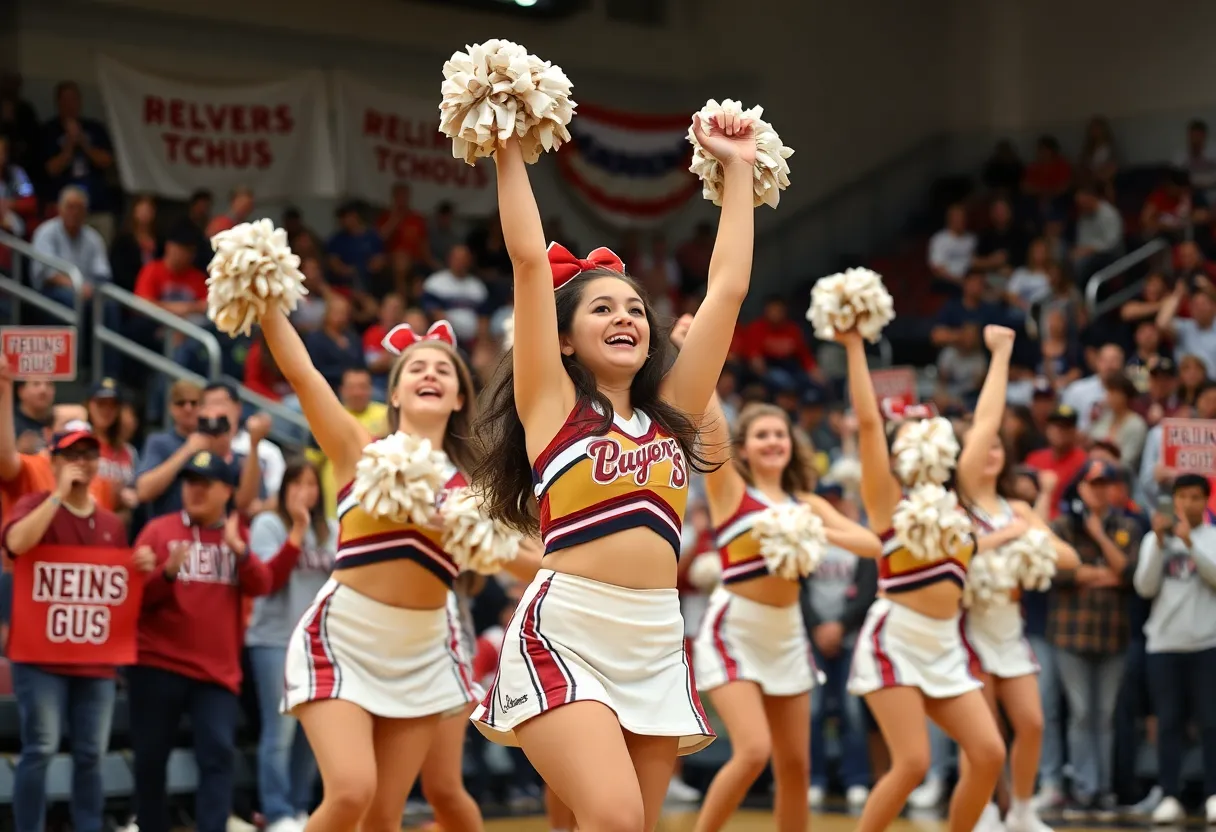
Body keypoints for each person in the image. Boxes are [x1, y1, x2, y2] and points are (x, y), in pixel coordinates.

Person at [470, 111, 758, 832]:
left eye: (635, 307)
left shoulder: (673, 413)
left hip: (656, 638)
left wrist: (741, 170)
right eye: (601, 308)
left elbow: (724, 291)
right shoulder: (551, 404)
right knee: (617, 818)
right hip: (567, 631)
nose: (626, 316)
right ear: (563, 339)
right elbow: (532, 263)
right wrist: (507, 143)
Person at [254, 304, 484, 832]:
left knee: (383, 817)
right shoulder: (358, 450)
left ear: (460, 396)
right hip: (345, 639)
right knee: (352, 791)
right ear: (395, 393)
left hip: (423, 650)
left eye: (444, 369)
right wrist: (266, 306)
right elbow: (304, 375)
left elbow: (520, 556)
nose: (430, 374)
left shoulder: (476, 492)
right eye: (416, 368)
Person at [686, 323, 882, 832]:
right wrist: (694, 352)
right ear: (744, 449)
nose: (773, 442)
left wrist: (817, 524)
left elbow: (873, 544)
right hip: (736, 630)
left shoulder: (810, 503)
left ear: (792, 445)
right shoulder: (731, 493)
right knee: (752, 751)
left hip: (787, 635)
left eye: (780, 434)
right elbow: (709, 420)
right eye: (761, 436)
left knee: (796, 765)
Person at [839, 326, 1006, 832]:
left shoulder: (962, 497)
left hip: (945, 643)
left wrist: (1002, 354)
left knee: (989, 752)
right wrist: (852, 346)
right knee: (911, 764)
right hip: (896, 637)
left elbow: (986, 423)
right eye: (908, 432)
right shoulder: (886, 501)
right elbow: (870, 424)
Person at [956, 326, 1079, 832]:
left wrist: (1027, 532)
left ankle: (1024, 812)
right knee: (982, 734)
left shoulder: (1020, 507)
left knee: (1031, 723)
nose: (990, 454)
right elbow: (955, 555)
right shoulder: (955, 505)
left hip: (1009, 626)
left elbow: (1067, 558)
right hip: (968, 629)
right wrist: (1005, 536)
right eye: (982, 448)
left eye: (997, 449)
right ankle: (985, 811)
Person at [4, 423, 133, 832]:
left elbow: (117, 589)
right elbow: (16, 544)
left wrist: (146, 569)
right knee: (40, 748)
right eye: (73, 454)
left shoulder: (112, 524)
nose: (83, 462)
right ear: (54, 461)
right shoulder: (33, 503)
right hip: (39, 657)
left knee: (91, 753)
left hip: (94, 660)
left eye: (90, 454)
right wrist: (58, 495)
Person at [246, 461, 337, 832]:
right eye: (297, 483)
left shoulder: (332, 529)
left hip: (318, 644)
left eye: (311, 484)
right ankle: (277, 812)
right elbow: (268, 580)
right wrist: (297, 529)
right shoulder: (267, 525)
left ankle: (300, 807)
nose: (305, 491)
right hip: (274, 640)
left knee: (311, 731)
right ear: (283, 489)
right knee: (279, 729)